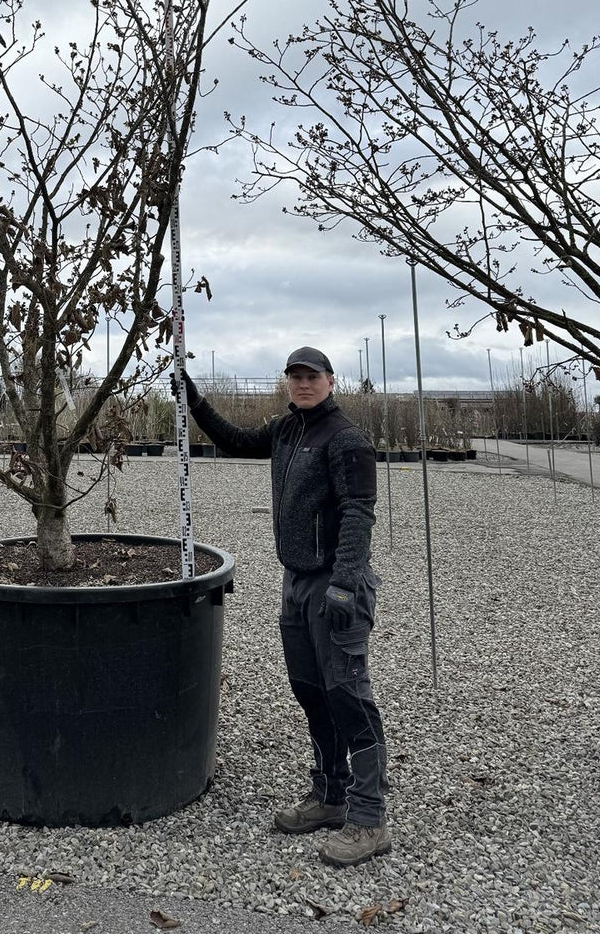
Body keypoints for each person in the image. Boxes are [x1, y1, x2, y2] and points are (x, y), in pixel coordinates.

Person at [180, 346, 390, 867]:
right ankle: (330, 796)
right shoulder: (287, 430)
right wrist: (195, 403)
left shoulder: (345, 440)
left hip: (334, 586)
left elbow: (359, 514)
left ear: (331, 380)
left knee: (348, 695)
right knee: (311, 691)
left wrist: (343, 583)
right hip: (295, 581)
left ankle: (369, 818)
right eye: (295, 376)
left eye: (311, 376)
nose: (302, 384)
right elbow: (234, 442)